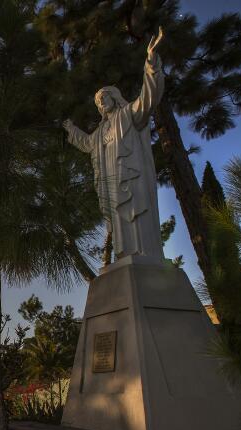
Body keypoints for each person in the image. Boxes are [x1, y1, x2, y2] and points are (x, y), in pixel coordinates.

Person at [63, 27, 166, 262]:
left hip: (132, 174)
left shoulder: (129, 114)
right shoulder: (99, 133)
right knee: (120, 219)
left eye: (104, 98)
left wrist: (150, 64)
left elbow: (148, 99)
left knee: (138, 214)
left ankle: (145, 254)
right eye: (98, 103)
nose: (101, 104)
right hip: (113, 180)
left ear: (113, 97)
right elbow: (87, 143)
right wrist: (70, 129)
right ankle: (126, 254)